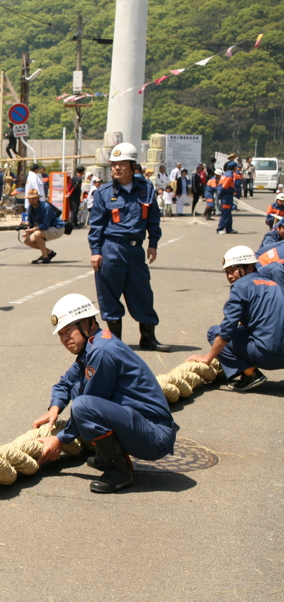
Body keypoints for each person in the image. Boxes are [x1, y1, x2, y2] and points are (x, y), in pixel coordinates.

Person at [34, 293, 175, 493]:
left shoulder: (101, 350)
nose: (65, 339)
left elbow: (89, 405)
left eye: (68, 330)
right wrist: (54, 408)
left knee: (83, 405)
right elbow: (66, 382)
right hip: (138, 425)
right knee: (78, 389)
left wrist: (60, 440)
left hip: (154, 436)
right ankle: (108, 454)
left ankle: (120, 471)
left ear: (88, 322)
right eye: (60, 334)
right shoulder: (92, 345)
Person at [88, 142, 171, 352]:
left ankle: (148, 338)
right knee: (109, 295)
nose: (117, 168)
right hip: (111, 249)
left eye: (122, 164)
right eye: (114, 164)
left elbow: (153, 219)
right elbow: (96, 225)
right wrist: (96, 252)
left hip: (135, 250)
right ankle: (115, 342)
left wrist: (153, 243)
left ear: (133, 166)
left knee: (142, 293)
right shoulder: (104, 192)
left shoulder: (146, 189)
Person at [187, 246, 284, 392]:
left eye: (233, 270)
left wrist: (208, 357)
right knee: (242, 330)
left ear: (249, 268)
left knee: (215, 332)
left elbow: (227, 329)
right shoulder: (273, 284)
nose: (230, 276)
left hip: (268, 355)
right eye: (227, 272)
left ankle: (251, 375)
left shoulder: (241, 286)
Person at [22, 188, 63, 263]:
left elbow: (45, 225)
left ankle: (45, 257)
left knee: (37, 234)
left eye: (33, 198)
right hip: (46, 229)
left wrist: (31, 230)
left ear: (38, 198)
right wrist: (25, 223)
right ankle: (49, 252)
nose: (31, 200)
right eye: (29, 199)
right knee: (27, 241)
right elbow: (30, 221)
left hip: (57, 228)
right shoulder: (30, 207)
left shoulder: (45, 207)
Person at [218, 160, 239, 234]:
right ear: (234, 168)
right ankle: (220, 228)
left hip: (226, 195)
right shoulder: (230, 175)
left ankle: (229, 229)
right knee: (225, 213)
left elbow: (220, 185)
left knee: (228, 213)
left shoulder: (225, 174)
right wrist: (220, 195)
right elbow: (224, 186)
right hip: (227, 196)